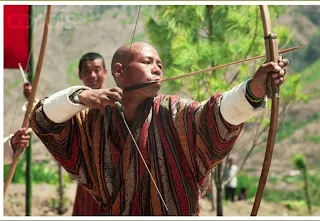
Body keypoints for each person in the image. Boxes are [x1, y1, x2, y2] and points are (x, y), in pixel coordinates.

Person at [30, 42, 288, 215]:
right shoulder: (92, 121)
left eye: (160, 65)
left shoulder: (173, 112)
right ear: (119, 71)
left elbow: (214, 115)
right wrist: (81, 95)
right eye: (147, 62)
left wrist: (253, 91)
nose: (157, 69)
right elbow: (43, 120)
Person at [24, 52, 107, 215]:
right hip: (89, 181)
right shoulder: (74, 106)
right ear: (80, 75)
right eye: (86, 71)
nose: (92, 75)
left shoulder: (118, 102)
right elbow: (52, 122)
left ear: (105, 72)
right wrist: (32, 99)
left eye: (97, 70)